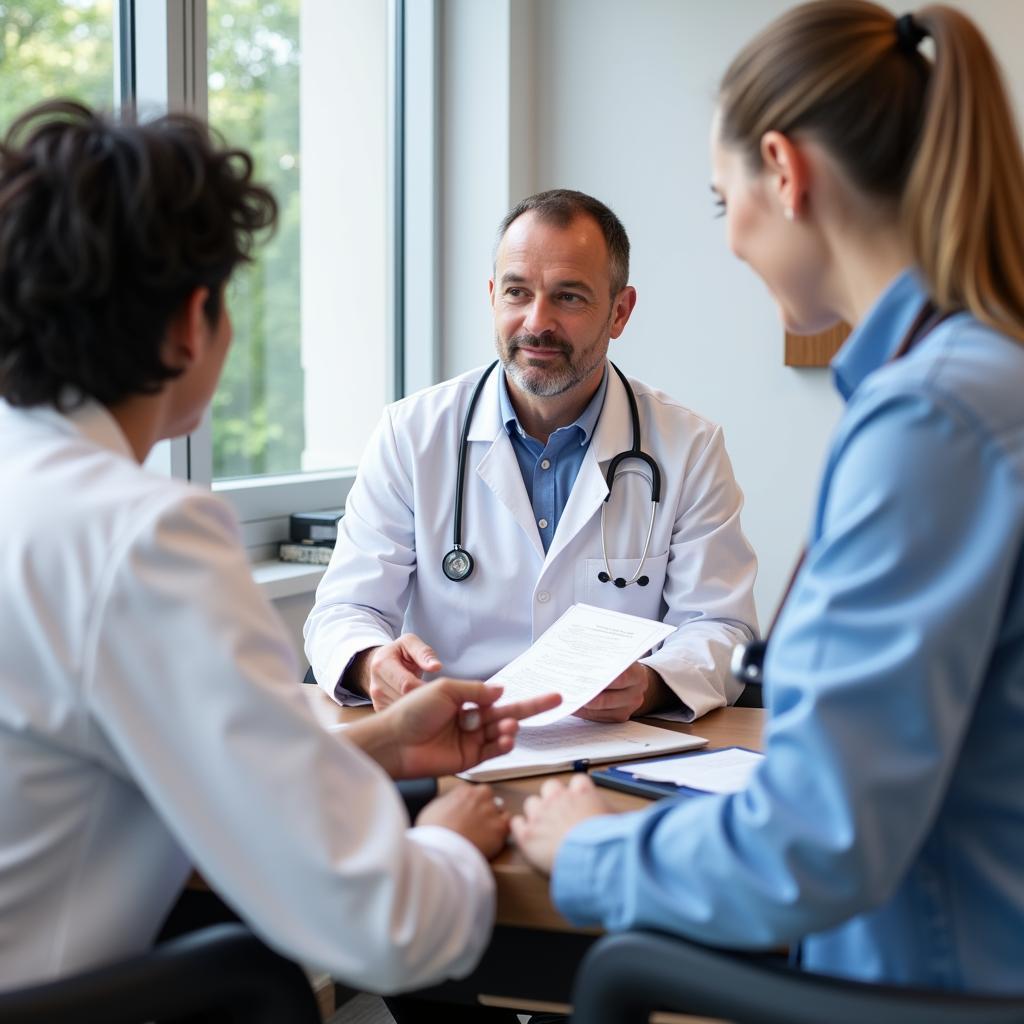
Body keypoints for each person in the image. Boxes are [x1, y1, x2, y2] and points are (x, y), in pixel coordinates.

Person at [513, 1, 1024, 994]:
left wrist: (589, 851)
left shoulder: (931, 421)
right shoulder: (976, 380)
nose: (733, 240)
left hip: (931, 976)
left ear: (783, 173)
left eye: (721, 202)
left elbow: (820, 840)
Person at [0, 100, 560, 995]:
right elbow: (388, 928)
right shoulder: (143, 538)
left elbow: (159, 763)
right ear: (193, 322)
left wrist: (379, 745)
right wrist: (451, 840)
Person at [305, 189, 759, 724]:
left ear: (620, 311)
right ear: (493, 295)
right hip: (451, 743)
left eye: (569, 297)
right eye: (518, 292)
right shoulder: (411, 435)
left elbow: (722, 626)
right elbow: (344, 609)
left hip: (611, 748)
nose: (536, 323)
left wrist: (654, 683)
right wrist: (369, 662)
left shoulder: (689, 447)